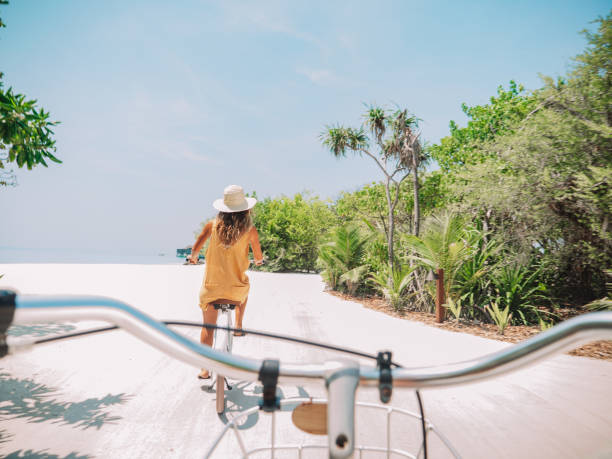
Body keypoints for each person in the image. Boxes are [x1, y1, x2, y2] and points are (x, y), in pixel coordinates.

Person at [187, 184, 263, 380]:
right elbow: (258, 255)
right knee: (245, 286)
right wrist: (259, 260)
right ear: (246, 209)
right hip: (235, 291)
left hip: (211, 291)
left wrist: (194, 257)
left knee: (208, 327)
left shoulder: (210, 226)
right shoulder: (250, 231)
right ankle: (238, 325)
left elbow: (195, 249)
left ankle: (204, 369)